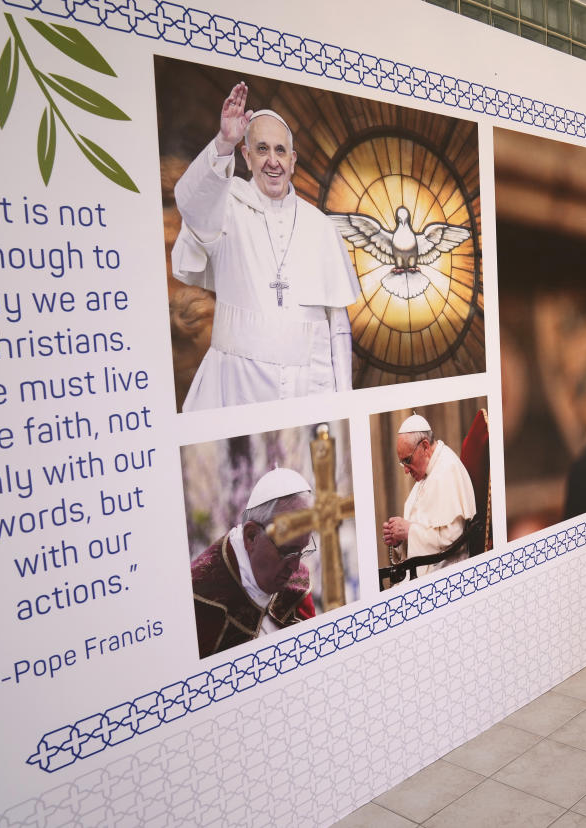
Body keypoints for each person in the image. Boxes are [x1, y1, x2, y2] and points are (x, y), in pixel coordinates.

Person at [171, 81, 361, 411]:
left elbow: (338, 325)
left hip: (308, 387)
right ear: (245, 155)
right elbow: (191, 202)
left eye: (280, 151)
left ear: (292, 160)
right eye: (261, 149)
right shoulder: (225, 205)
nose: (272, 161)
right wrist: (224, 142)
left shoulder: (320, 226)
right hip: (236, 384)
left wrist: (344, 402)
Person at [190, 467, 317, 658]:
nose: (295, 567)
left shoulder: (296, 585)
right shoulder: (200, 597)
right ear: (251, 537)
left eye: (302, 551)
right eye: (287, 551)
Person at [382, 415, 476, 577]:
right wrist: (399, 540)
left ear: (425, 446)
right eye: (402, 463)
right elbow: (420, 526)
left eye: (407, 460)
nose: (405, 470)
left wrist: (408, 532)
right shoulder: (427, 473)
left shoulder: (447, 469)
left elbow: (451, 539)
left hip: (447, 572)